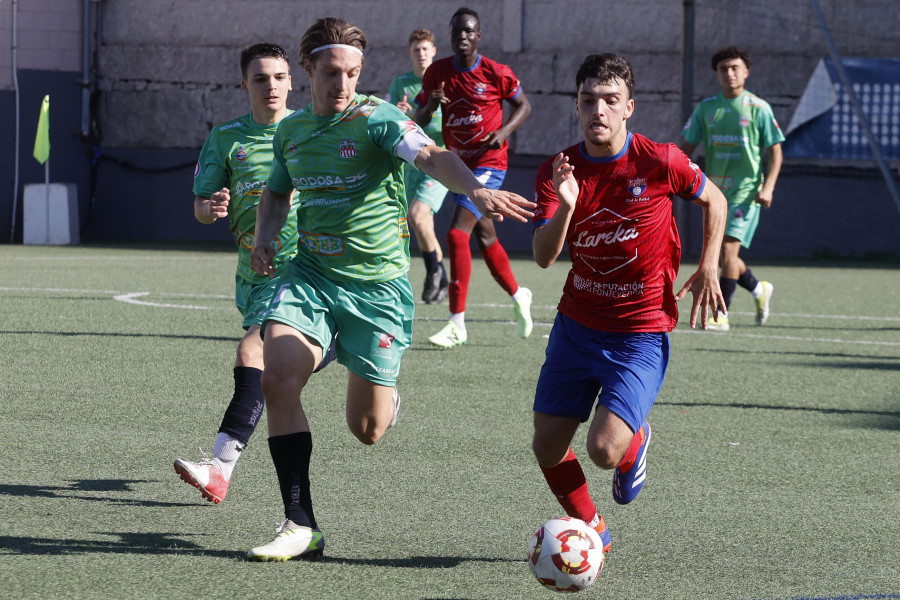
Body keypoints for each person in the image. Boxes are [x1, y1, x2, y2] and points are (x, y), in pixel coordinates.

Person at [245, 17, 534, 562]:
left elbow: (431, 156)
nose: (344, 84)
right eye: (333, 72)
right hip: (311, 275)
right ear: (308, 69)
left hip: (377, 290)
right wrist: (264, 238)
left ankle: (384, 391)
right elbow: (277, 195)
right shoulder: (290, 131)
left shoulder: (377, 118)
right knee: (278, 375)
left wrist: (476, 188)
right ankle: (299, 523)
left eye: (353, 73)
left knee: (367, 430)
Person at [530, 54, 727, 562]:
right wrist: (569, 206)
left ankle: (634, 438)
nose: (599, 109)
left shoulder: (660, 160)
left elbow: (717, 201)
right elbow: (544, 257)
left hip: (639, 332)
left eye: (610, 100)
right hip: (576, 327)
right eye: (589, 100)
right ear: (577, 107)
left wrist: (709, 265)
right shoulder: (559, 171)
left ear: (629, 108)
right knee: (547, 446)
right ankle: (591, 523)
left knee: (603, 450)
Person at [174, 43, 336, 505]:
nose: (271, 86)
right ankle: (363, 370)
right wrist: (211, 207)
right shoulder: (226, 138)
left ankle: (220, 467)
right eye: (261, 78)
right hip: (254, 271)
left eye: (279, 77)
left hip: (306, 267)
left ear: (293, 81)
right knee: (283, 365)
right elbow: (202, 208)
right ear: (245, 84)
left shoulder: (311, 130)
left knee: (253, 353)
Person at [414, 7, 534, 348]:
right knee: (484, 235)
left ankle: (456, 323)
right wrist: (430, 106)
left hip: (490, 165)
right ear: (451, 36)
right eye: (457, 32)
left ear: (478, 36)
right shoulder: (437, 73)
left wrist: (504, 131)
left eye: (469, 32)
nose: (462, 37)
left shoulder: (496, 72)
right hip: (458, 168)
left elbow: (523, 105)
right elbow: (419, 121)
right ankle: (518, 293)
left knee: (455, 234)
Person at [680, 46, 784, 331]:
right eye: (724, 68)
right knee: (730, 257)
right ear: (717, 74)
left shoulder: (759, 108)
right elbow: (684, 149)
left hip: (747, 193)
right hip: (714, 193)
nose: (729, 73)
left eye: (735, 68)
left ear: (746, 72)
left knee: (725, 251)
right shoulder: (707, 108)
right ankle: (758, 289)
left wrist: (769, 187)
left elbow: (775, 151)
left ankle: (719, 314)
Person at [386, 28, 450, 304]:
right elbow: (389, 115)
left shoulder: (444, 82)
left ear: (434, 51)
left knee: (417, 215)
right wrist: (398, 112)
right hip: (409, 164)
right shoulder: (401, 83)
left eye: (426, 48)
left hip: (439, 160)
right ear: (409, 52)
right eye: (416, 49)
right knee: (423, 224)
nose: (421, 53)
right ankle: (442, 278)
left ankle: (433, 271)